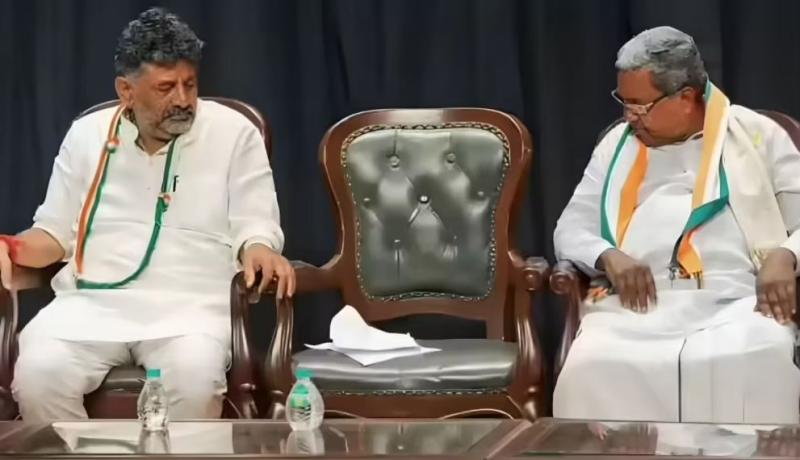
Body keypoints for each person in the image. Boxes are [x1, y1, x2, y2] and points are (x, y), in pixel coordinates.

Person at [0, 7, 295, 420]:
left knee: (194, 379)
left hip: (191, 310)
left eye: (190, 84)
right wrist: (9, 247)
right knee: (38, 376)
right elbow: (52, 234)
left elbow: (256, 222)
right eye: (166, 88)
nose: (183, 100)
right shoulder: (87, 135)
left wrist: (259, 248)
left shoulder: (234, 132)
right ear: (126, 90)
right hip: (90, 307)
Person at [553, 26, 800, 423]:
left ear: (685, 98)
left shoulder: (756, 134)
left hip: (737, 305)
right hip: (635, 309)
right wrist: (608, 256)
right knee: (589, 365)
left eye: (640, 106)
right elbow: (569, 228)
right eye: (624, 103)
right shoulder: (616, 146)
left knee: (763, 354)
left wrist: (786, 255)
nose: (628, 117)